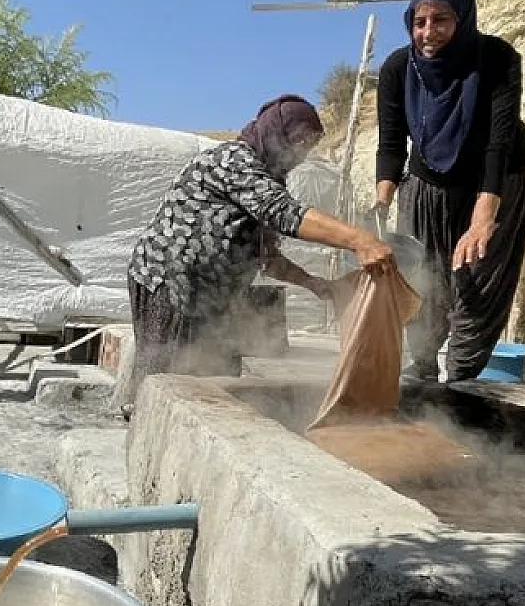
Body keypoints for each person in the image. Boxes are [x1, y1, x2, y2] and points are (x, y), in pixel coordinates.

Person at [123, 94, 395, 409]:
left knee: (213, 383)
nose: (301, 154)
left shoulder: (266, 179)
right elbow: (283, 212)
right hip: (170, 283)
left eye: (308, 146)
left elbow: (267, 257)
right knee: (167, 383)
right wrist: (360, 240)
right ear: (276, 132)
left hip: (212, 295)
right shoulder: (233, 160)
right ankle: (140, 423)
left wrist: (314, 284)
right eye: (298, 142)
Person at [375, 0, 525, 383]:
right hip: (428, 182)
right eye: (419, 22)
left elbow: (499, 142)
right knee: (420, 276)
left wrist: (483, 218)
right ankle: (423, 369)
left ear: (462, 18)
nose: (428, 32)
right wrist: (380, 206)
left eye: (440, 20)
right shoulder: (398, 68)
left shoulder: (497, 59)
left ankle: (462, 379)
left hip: (494, 180)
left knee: (477, 280)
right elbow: (391, 143)